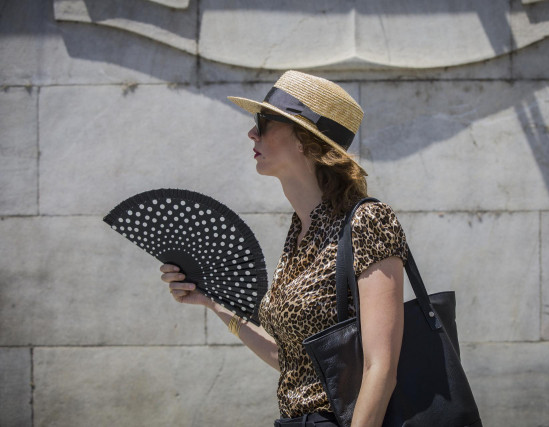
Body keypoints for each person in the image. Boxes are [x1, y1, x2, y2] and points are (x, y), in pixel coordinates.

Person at [161, 70, 408, 427]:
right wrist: (211, 302)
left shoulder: (366, 221)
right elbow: (291, 359)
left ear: (304, 140)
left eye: (263, 122)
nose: (251, 132)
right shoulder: (299, 232)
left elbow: (381, 368)